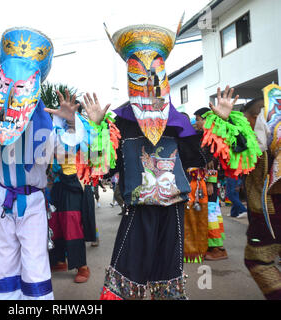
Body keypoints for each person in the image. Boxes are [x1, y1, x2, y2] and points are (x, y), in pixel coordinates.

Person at [98, 22, 259, 300]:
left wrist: (222, 123)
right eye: (140, 77)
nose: (149, 84)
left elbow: (208, 155)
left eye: (155, 76)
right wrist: (93, 130)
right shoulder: (120, 123)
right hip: (136, 211)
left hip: (173, 212)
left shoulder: (179, 123)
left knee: (167, 281)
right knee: (124, 280)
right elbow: (101, 166)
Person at [0, 27, 114, 300]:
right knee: (3, 264)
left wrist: (75, 122)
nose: (14, 91)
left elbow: (81, 153)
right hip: (2, 201)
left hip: (32, 203)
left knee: (35, 265)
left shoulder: (44, 125)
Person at [242, 89, 281, 300]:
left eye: (247, 118)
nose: (245, 122)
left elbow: (252, 158)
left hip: (270, 210)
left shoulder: (262, 141)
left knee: (257, 260)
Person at [48, 159, 96, 283]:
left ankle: (82, 266)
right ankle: (59, 260)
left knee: (72, 223)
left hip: (74, 178)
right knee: (54, 222)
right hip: (55, 181)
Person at [191, 107, 228, 261]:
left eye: (199, 119)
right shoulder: (208, 136)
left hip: (210, 182)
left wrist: (211, 182)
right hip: (206, 181)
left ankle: (217, 249)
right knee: (211, 212)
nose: (197, 123)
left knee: (211, 212)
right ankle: (215, 245)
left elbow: (213, 163)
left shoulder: (211, 138)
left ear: (206, 120)